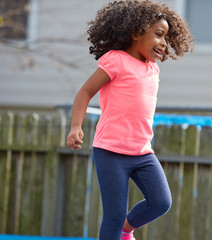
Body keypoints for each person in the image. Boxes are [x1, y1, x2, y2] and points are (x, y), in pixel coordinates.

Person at [67, 1, 194, 239]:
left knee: (161, 202)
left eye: (166, 38)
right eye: (159, 35)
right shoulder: (116, 60)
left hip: (143, 153)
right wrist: (76, 127)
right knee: (113, 216)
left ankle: (127, 230)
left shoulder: (153, 69)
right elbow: (84, 93)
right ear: (136, 33)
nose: (164, 44)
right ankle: (119, 228)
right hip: (111, 152)